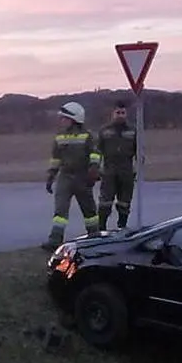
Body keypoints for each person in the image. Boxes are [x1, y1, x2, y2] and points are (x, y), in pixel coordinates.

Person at [42, 102, 102, 252]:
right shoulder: (59, 137)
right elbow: (56, 158)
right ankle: (55, 239)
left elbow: (95, 154)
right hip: (65, 177)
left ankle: (94, 237)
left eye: (64, 118)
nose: (61, 121)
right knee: (60, 211)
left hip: (83, 176)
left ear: (74, 119)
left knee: (89, 210)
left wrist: (93, 170)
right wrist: (51, 176)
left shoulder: (87, 136)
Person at [95, 100, 137, 231]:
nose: (120, 115)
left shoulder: (133, 130)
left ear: (126, 114)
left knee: (125, 202)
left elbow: (139, 151)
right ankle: (101, 228)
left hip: (127, 170)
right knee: (105, 202)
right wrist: (95, 168)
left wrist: (137, 168)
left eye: (123, 113)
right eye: (117, 112)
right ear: (112, 113)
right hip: (109, 170)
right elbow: (97, 151)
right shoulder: (104, 131)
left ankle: (122, 227)